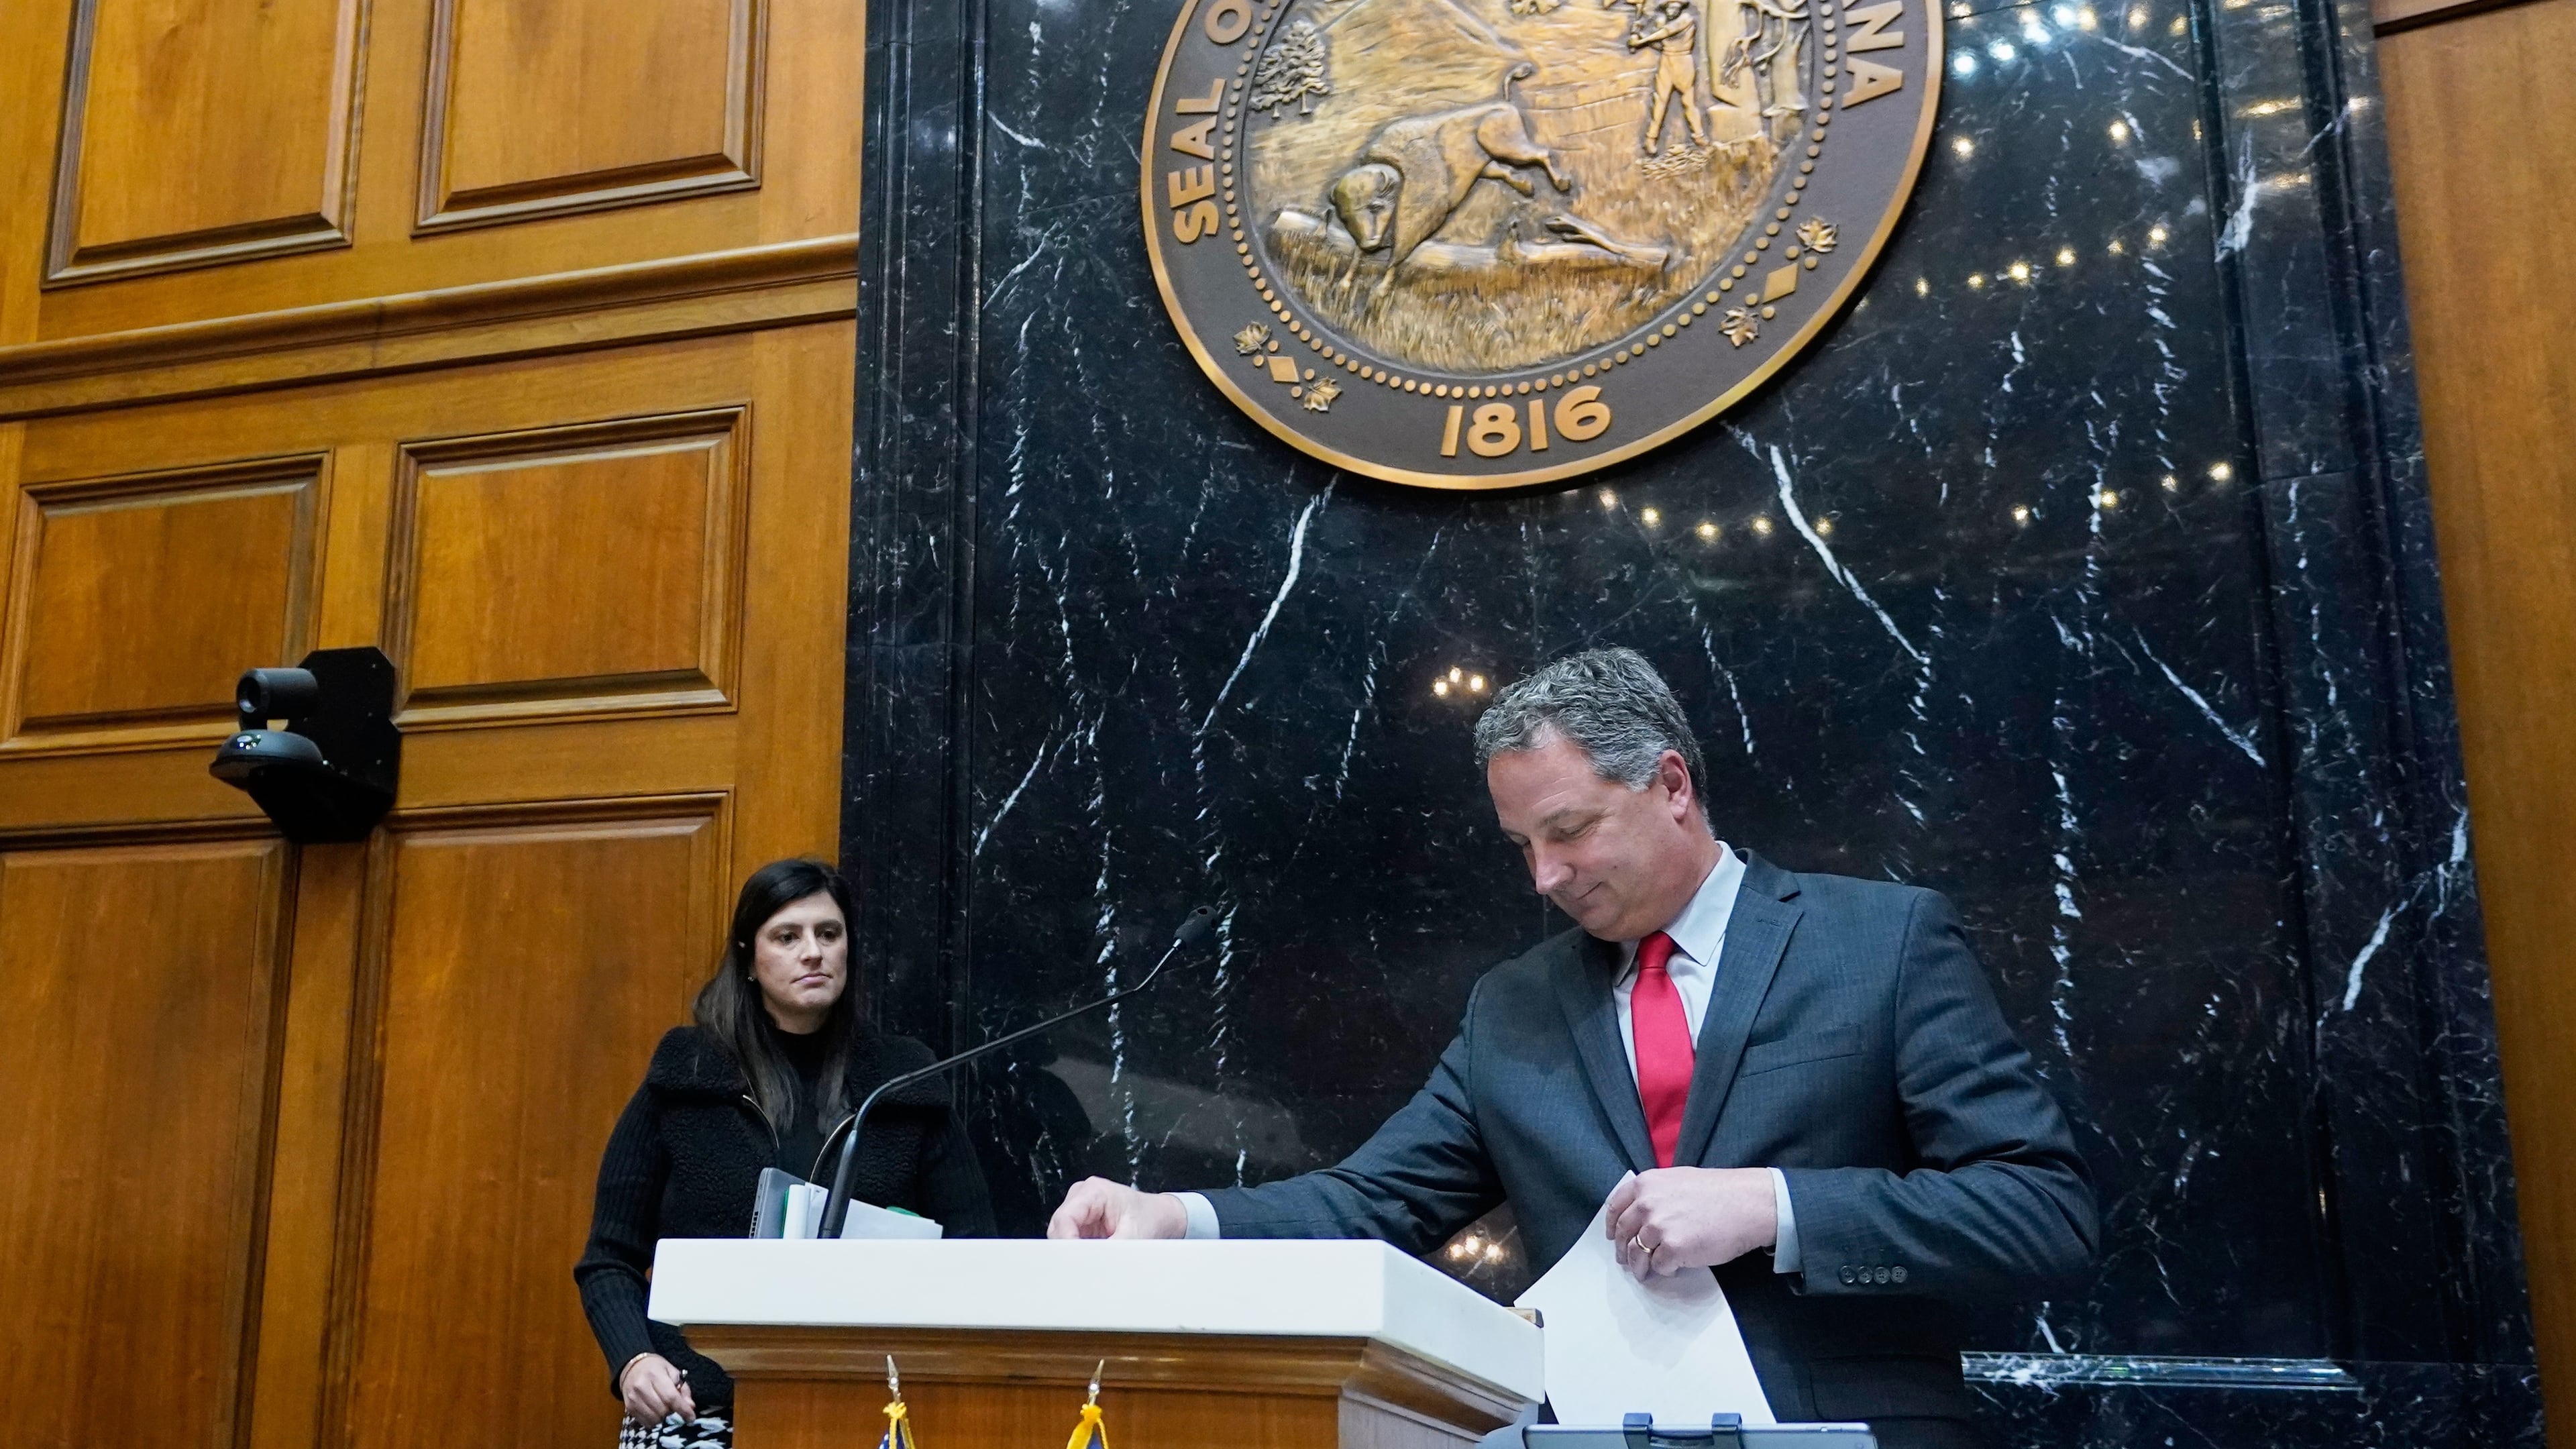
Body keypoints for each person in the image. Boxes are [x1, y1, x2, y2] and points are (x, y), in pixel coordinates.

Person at [1048, 649, 2096, 1449]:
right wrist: (1173, 1218)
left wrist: (1772, 1206)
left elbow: (2040, 1211)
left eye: (1570, 830)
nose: (1544, 878)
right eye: (1521, 847)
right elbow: (1372, 1201)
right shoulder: (1516, 1005)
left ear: (1671, 785)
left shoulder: (1882, 941)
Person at [576, 859, 995, 1448]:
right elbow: (608, 1259)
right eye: (787, 936)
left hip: (868, 1405)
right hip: (699, 1409)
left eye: (829, 934)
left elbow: (976, 1256)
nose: (813, 953)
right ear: (750, 957)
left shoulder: (905, 1084)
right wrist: (634, 1360)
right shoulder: (686, 1077)